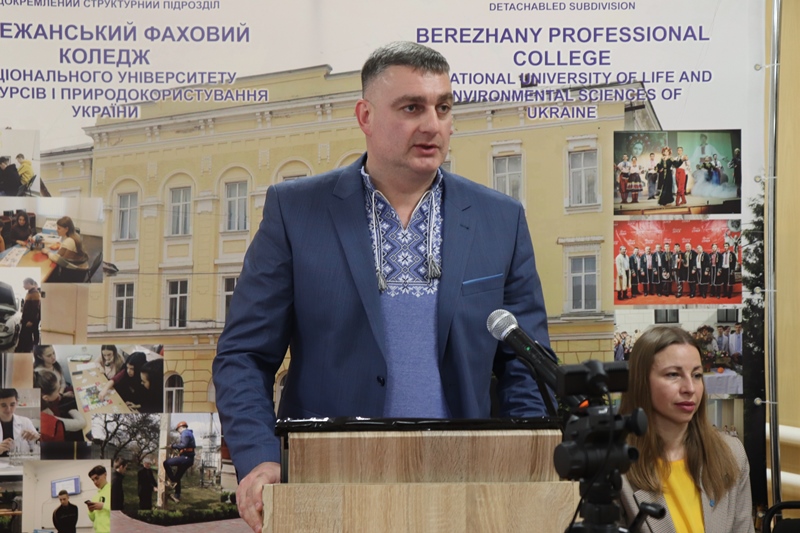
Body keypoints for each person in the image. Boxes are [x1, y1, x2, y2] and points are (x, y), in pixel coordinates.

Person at [213, 41, 552, 532]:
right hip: (326, 489)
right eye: (412, 107)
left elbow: (527, 364)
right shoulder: (295, 211)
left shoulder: (501, 220)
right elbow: (244, 355)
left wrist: (527, 459)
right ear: (365, 116)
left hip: (465, 494)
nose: (432, 124)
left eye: (443, 107)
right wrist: (260, 458)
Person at [618, 326, 755, 532]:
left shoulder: (732, 454)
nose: (690, 388)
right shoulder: (613, 467)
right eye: (673, 374)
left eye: (697, 375)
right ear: (640, 381)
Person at [35, 369, 86, 441]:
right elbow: (81, 423)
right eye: (57, 391)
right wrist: (72, 410)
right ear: (46, 398)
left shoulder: (39, 400)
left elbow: (57, 397)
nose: (59, 393)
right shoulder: (47, 418)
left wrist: (64, 395)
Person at [0, 388, 39, 457]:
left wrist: (37, 439)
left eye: (12, 405)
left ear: (17, 403)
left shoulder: (25, 422)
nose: (8, 409)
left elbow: (36, 451)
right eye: (3, 405)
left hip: (20, 462)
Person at [163, 421, 195, 503]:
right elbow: (185, 447)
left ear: (181, 428)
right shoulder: (189, 433)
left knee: (166, 463)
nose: (179, 432)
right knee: (177, 478)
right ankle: (177, 496)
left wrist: (172, 446)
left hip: (186, 458)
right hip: (188, 459)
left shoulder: (185, 433)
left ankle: (171, 481)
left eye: (178, 430)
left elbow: (183, 445)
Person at [15, 277, 40, 352]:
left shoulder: (35, 293)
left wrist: (31, 321)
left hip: (29, 320)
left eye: (24, 284)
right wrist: (23, 319)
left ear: (28, 284)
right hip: (26, 319)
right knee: (25, 336)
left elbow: (35, 309)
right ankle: (23, 349)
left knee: (26, 335)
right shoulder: (29, 293)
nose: (23, 286)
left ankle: (24, 350)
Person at [87, 465, 111, 533]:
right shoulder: (95, 497)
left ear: (105, 475)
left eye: (97, 478)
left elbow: (120, 512)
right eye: (93, 480)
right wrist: (90, 511)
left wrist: (103, 506)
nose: (95, 482)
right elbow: (93, 518)